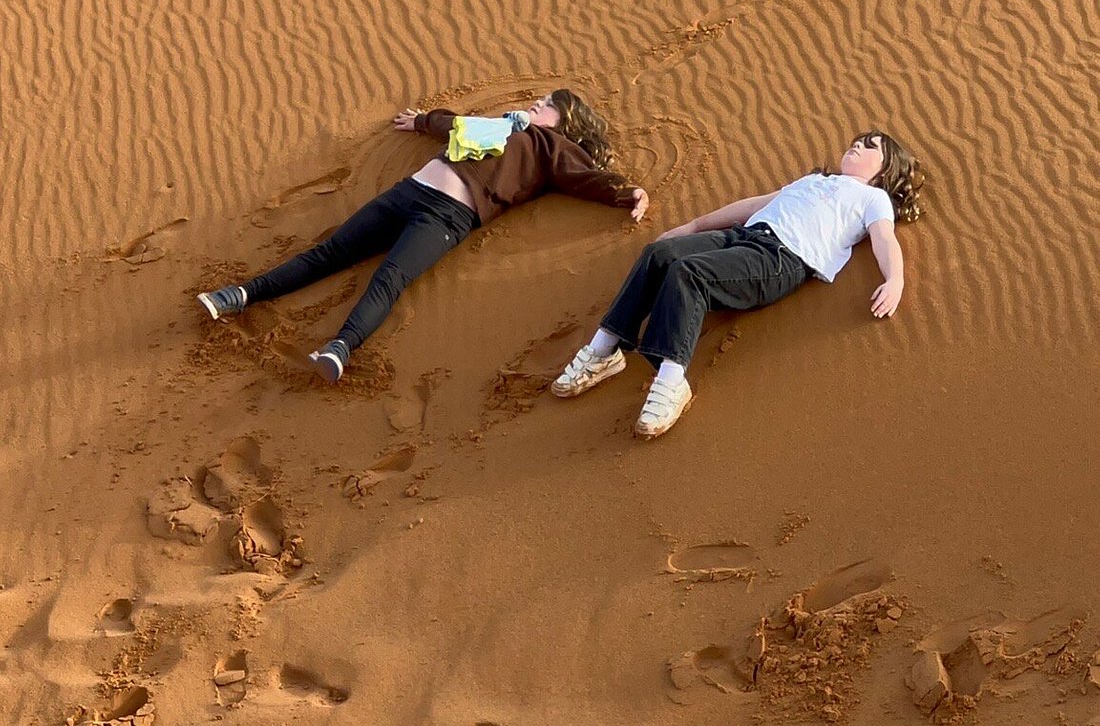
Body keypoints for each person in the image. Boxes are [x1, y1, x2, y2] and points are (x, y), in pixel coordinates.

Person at [197, 92, 649, 381]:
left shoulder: (552, 149)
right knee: (329, 252)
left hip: (447, 216)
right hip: (407, 194)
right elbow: (457, 127)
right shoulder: (504, 126)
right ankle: (238, 295)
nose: (536, 103)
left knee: (391, 278)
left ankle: (341, 347)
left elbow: (588, 178)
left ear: (565, 121)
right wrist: (421, 122)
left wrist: (628, 192)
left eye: (548, 103)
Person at [551, 132, 924, 438]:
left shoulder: (873, 198)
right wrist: (692, 227)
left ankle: (672, 381)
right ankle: (604, 351)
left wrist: (895, 278)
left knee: (689, 274)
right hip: (741, 237)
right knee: (659, 254)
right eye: (858, 140)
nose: (857, 145)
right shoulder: (814, 181)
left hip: (782, 259)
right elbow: (751, 205)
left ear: (885, 170)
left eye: (871, 146)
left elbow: (884, 238)